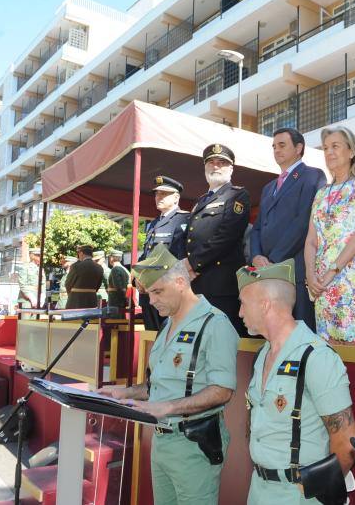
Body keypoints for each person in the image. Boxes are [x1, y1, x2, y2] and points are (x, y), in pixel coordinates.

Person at [98, 244, 238, 505]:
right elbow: (158, 385)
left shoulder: (214, 324)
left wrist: (169, 407)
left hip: (193, 445)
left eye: (158, 291)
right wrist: (124, 392)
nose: (152, 301)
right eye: (150, 293)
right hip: (161, 441)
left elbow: (223, 390)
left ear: (180, 282)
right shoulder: (167, 325)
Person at [237, 260, 355, 505]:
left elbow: (346, 444)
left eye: (243, 304)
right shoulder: (261, 355)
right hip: (259, 488)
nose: (239, 312)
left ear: (265, 304)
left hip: (299, 494)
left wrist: (318, 491)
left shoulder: (316, 357)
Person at [304, 126, 355, 345]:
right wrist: (310, 276)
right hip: (321, 283)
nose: (329, 152)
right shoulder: (321, 193)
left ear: (351, 152)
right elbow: (310, 240)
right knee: (329, 351)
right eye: (326, 148)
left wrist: (332, 271)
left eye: (335, 146)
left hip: (354, 276)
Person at [250, 127, 326, 330]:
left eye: (282, 145)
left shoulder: (312, 176)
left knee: (299, 330)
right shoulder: (268, 187)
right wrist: (256, 256)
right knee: (273, 331)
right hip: (267, 270)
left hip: (295, 269)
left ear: (299, 147)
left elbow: (304, 222)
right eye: (274, 146)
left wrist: (273, 259)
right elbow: (257, 228)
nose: (276, 150)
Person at [183, 144, 250, 336]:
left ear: (231, 169)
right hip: (197, 284)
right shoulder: (200, 201)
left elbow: (227, 235)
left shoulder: (237, 194)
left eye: (222, 163)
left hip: (222, 286)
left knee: (221, 341)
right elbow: (190, 238)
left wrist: (193, 263)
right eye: (211, 162)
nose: (216, 166)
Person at [140, 175, 190, 330]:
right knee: (152, 337)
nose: (158, 197)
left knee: (168, 334)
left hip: (167, 290)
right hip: (148, 290)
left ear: (176, 197)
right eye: (157, 194)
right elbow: (147, 253)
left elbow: (179, 255)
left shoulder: (184, 219)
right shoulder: (153, 223)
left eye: (164, 194)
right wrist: (138, 275)